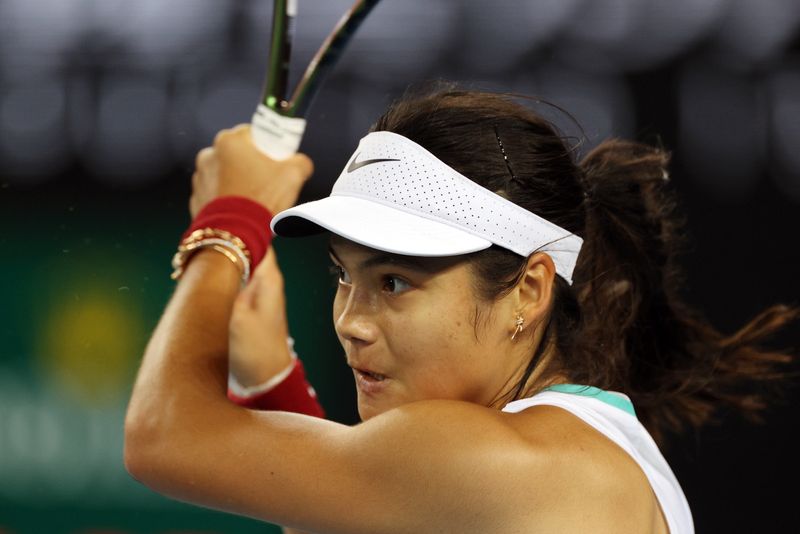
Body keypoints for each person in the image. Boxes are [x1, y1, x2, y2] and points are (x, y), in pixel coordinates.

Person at [124, 87, 796, 534]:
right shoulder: (559, 453)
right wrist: (273, 374)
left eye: (394, 283)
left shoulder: (511, 462)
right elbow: (342, 506)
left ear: (529, 291)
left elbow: (163, 436)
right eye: (342, 275)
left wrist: (230, 221)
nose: (351, 321)